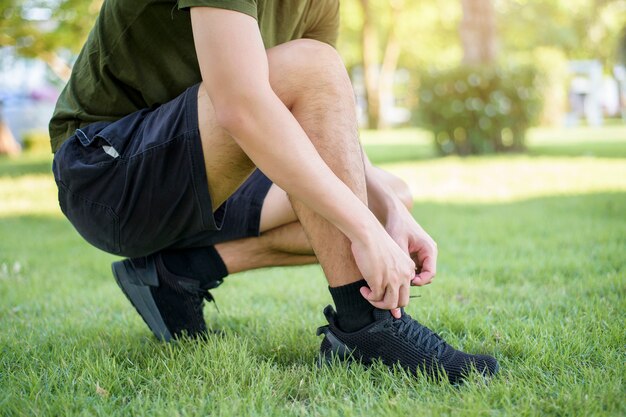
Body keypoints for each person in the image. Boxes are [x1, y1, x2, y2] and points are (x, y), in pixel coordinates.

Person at [49, 0, 498, 384]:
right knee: (314, 68)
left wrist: (390, 215)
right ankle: (365, 328)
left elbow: (321, 114)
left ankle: (175, 274)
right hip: (106, 174)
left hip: (190, 165)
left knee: (388, 198)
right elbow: (242, 105)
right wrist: (363, 230)